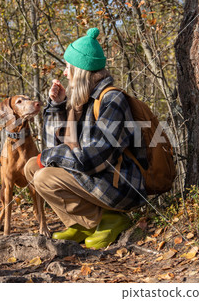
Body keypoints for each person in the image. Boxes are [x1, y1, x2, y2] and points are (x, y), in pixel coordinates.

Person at [24, 28, 148, 249]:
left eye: (67, 68)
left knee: (43, 176)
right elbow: (56, 145)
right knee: (32, 167)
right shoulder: (83, 101)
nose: (64, 73)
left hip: (120, 184)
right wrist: (57, 106)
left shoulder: (112, 99)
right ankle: (80, 224)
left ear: (79, 71)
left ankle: (110, 220)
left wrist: (50, 156)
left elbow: (91, 159)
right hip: (98, 180)